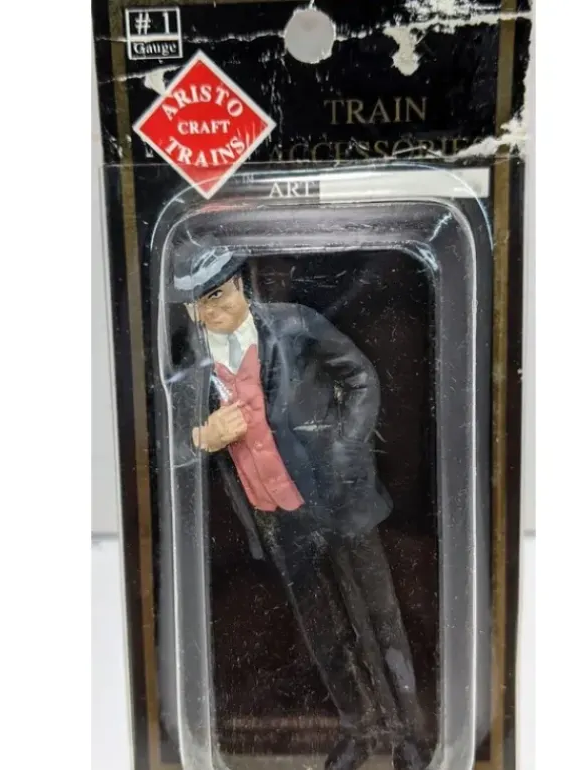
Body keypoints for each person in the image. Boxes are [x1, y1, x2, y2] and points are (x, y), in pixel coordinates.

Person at [174, 247, 428, 770]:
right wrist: (202, 437)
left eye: (219, 294)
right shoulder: (194, 365)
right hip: (278, 518)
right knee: (324, 631)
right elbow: (168, 439)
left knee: (378, 620)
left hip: (339, 502)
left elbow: (360, 377)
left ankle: (409, 733)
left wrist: (347, 447)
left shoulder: (294, 326)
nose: (212, 310)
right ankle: (359, 727)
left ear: (241, 285)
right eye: (200, 302)